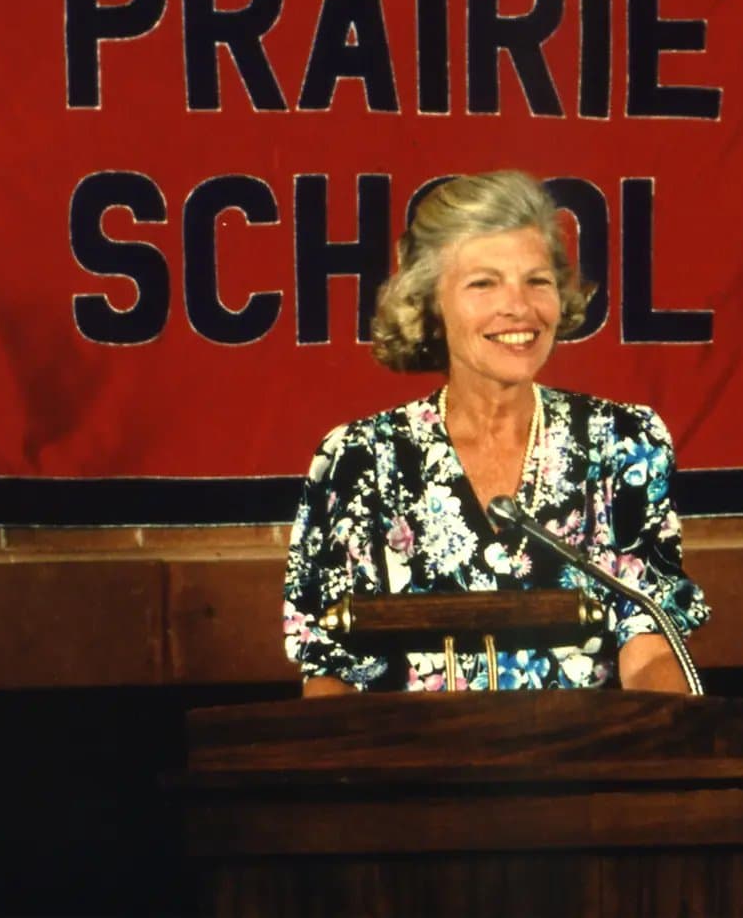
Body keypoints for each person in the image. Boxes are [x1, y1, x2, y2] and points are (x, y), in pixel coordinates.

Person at [281, 171, 709, 696]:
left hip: (589, 749)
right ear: (430, 301)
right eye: (483, 283)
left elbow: (649, 650)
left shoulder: (623, 442)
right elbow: (333, 673)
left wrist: (677, 736)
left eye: (538, 281)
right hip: (408, 749)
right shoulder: (359, 458)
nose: (519, 307)